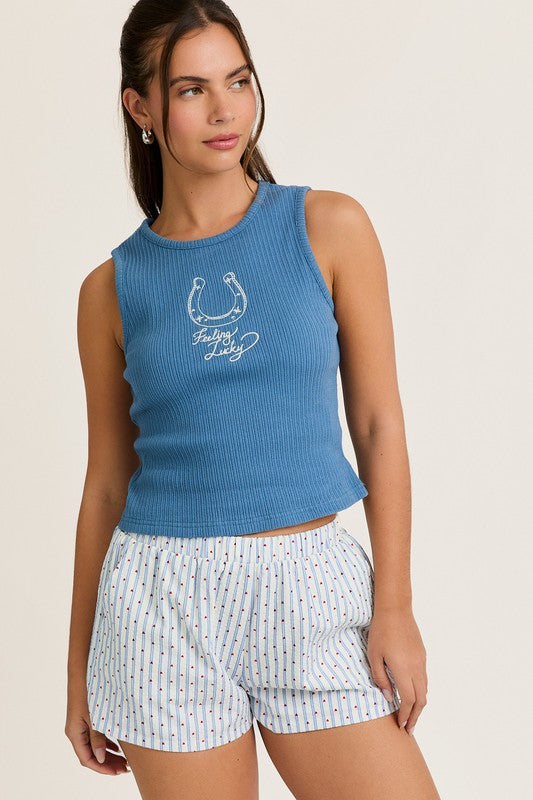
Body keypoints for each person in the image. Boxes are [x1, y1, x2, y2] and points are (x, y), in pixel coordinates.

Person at [65, 1, 441, 798]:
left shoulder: (327, 227)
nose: (225, 109)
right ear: (140, 107)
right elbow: (104, 486)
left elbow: (378, 426)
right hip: (159, 605)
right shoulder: (110, 290)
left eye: (237, 81)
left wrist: (396, 607)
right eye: (191, 89)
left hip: (312, 590)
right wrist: (80, 675)